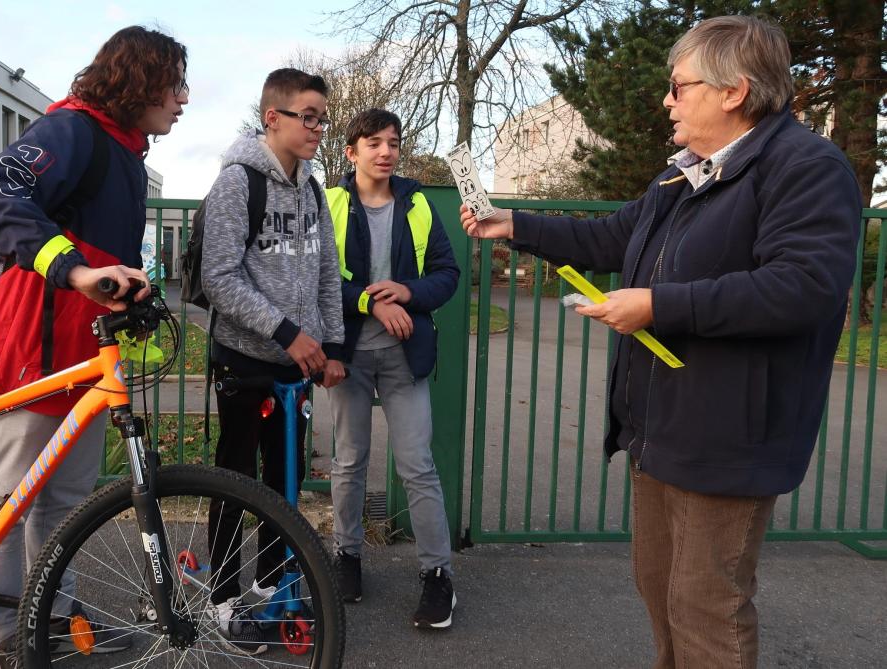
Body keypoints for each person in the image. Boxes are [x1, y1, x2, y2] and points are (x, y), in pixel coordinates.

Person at [462, 15, 861, 668]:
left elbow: (802, 286)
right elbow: (613, 237)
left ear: (732, 90)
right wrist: (515, 224)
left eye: (677, 86)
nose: (666, 100)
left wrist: (658, 305)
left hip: (727, 433)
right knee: (661, 589)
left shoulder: (805, 166)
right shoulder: (684, 173)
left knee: (706, 607)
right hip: (661, 425)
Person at [0, 26, 188, 669]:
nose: (183, 99)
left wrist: (121, 291)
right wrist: (76, 271)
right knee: (4, 502)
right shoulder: (74, 131)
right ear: (138, 81)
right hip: (23, 349)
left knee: (61, 501)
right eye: (174, 85)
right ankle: (5, 641)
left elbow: (99, 246)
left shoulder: (126, 151)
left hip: (81, 358)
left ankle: (52, 618)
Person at [200, 67, 347, 654]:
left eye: (321, 118)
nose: (317, 128)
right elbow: (219, 278)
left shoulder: (312, 186)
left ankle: (267, 584)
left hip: (299, 362)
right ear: (273, 118)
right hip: (246, 358)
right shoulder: (238, 182)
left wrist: (330, 345)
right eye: (307, 116)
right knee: (235, 479)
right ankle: (221, 597)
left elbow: (327, 272)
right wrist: (288, 333)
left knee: (283, 481)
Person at [324, 109, 460, 628]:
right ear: (351, 151)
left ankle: (437, 577)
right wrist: (370, 303)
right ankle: (347, 558)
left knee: (416, 465)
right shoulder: (330, 201)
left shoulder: (418, 203)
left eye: (394, 143)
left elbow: (447, 274)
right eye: (373, 142)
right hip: (349, 353)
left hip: (405, 356)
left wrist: (408, 291)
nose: (385, 152)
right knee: (349, 461)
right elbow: (314, 279)